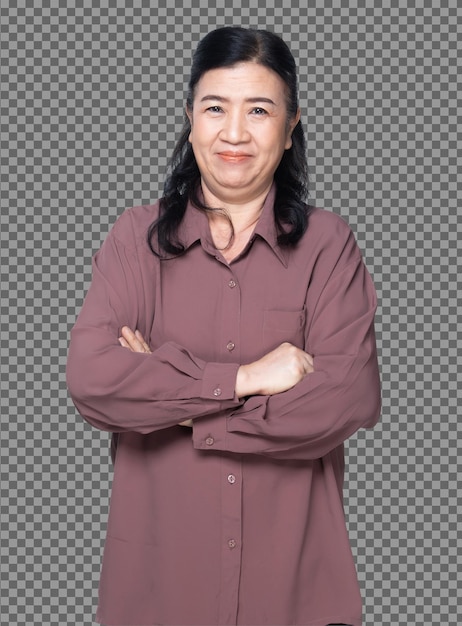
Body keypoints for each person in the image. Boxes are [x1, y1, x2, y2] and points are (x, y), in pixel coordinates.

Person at [67, 26, 381, 626]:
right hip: (156, 596)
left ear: (290, 129)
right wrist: (247, 379)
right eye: (215, 107)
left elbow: (347, 398)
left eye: (259, 110)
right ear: (190, 119)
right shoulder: (134, 240)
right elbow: (92, 379)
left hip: (297, 597)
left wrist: (176, 402)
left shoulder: (329, 246)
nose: (234, 133)